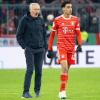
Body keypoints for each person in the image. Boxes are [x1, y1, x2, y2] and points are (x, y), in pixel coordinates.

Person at [47, 1, 82, 99]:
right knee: (65, 68)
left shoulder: (75, 20)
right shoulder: (57, 20)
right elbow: (52, 35)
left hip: (71, 48)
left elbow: (78, 34)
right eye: (68, 7)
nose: (70, 9)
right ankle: (62, 92)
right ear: (63, 8)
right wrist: (49, 48)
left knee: (66, 71)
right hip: (61, 47)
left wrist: (80, 45)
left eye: (71, 7)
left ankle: (61, 90)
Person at [16, 3, 47, 98]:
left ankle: (37, 91)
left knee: (39, 71)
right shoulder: (24, 20)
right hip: (29, 49)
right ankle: (25, 92)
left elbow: (44, 35)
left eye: (38, 9)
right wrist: (24, 46)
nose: (37, 11)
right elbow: (19, 35)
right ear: (30, 10)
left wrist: (45, 47)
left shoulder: (41, 20)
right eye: (35, 9)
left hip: (40, 49)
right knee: (30, 70)